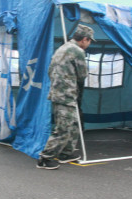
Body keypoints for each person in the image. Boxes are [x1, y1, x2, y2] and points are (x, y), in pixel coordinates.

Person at [37, 24, 94, 170]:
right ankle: (45, 158)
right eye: (89, 41)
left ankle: (65, 153)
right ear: (85, 39)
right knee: (63, 127)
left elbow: (50, 71)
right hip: (66, 95)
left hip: (60, 93)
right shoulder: (77, 51)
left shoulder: (62, 48)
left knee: (73, 124)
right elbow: (82, 76)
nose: (89, 44)